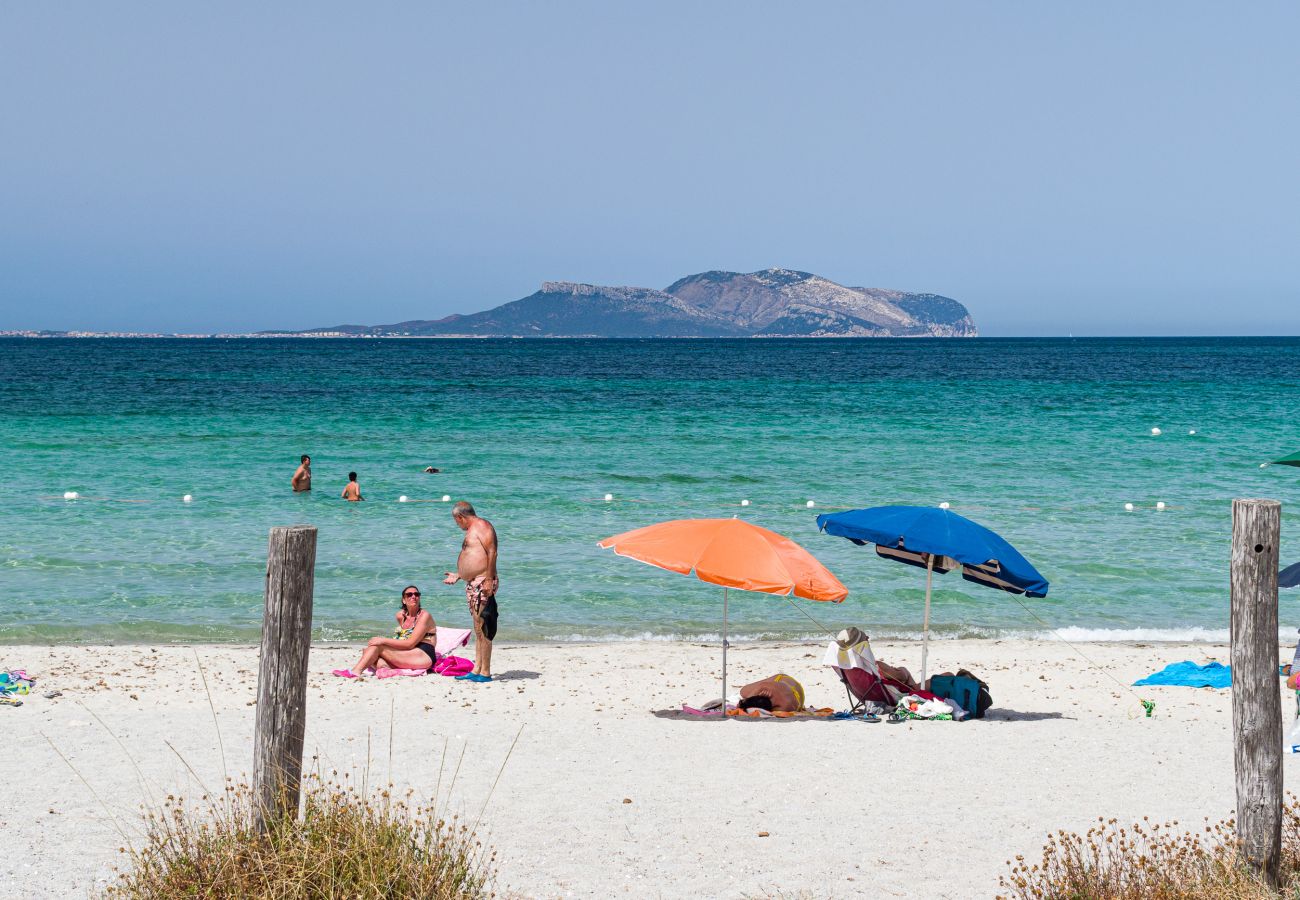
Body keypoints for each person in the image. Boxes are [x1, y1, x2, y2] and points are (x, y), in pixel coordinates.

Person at [442, 500, 498, 683]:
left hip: (483, 583)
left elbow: (492, 552)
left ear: (461, 517)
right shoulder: (473, 530)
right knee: (477, 627)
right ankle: (478, 668)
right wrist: (460, 574)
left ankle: (486, 672)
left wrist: (489, 580)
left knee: (484, 625)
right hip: (474, 582)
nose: (457, 525)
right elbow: (476, 556)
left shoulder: (482, 526)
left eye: (457, 521)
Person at [332, 585, 437, 678]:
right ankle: (384, 668)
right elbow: (405, 637)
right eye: (409, 594)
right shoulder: (401, 616)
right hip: (410, 652)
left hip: (423, 654)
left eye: (416, 594)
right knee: (367, 651)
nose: (413, 596)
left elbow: (409, 644)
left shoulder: (424, 616)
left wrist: (382, 640)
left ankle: (356, 671)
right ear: (404, 600)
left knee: (378, 648)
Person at [737, 674, 806, 713]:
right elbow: (744, 702)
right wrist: (755, 693)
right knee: (743, 691)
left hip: (786, 683)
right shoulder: (763, 687)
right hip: (782, 680)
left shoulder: (785, 707)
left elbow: (740, 706)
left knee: (743, 692)